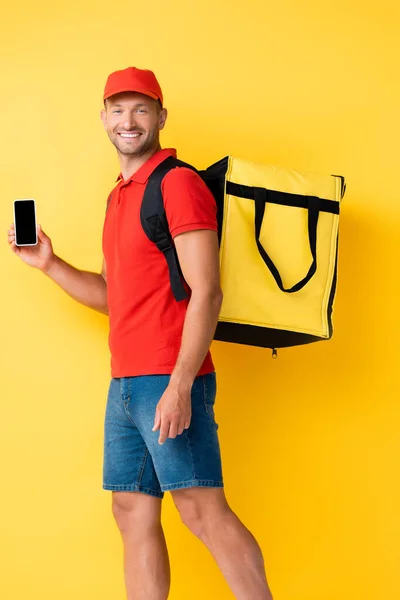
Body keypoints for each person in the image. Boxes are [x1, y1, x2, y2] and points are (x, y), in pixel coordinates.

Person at [7, 66, 274, 600]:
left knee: (201, 510)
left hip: (169, 376)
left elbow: (208, 292)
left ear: (160, 117)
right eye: (118, 109)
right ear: (104, 117)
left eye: (141, 109)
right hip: (125, 383)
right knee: (130, 510)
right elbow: (114, 297)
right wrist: (50, 264)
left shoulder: (178, 184)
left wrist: (179, 385)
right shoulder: (121, 196)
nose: (128, 121)